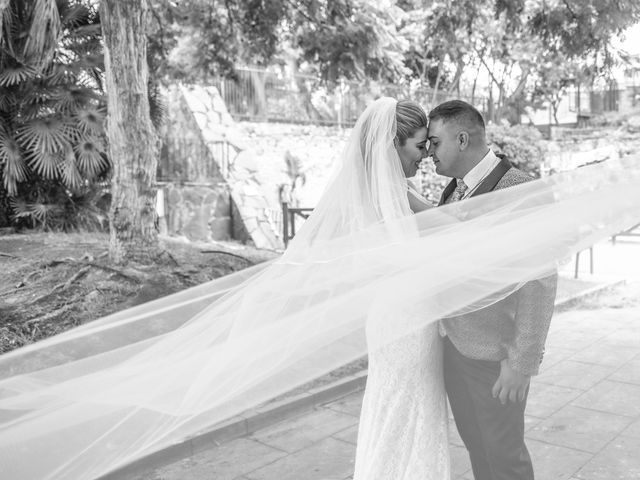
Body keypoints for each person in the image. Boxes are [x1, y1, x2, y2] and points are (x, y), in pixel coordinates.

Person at [428, 99, 557, 480]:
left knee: (505, 461)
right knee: (479, 453)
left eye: (434, 142)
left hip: (496, 359)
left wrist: (522, 362)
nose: (429, 153)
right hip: (454, 346)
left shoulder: (520, 188)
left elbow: (540, 278)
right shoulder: (453, 192)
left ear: (462, 138)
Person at [352, 98, 452, 479]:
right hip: (405, 321)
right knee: (405, 408)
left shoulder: (392, 188)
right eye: (420, 145)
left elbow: (444, 224)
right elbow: (427, 245)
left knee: (402, 409)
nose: (426, 155)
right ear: (392, 145)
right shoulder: (386, 194)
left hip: (404, 316)